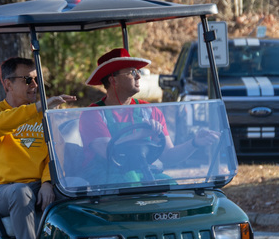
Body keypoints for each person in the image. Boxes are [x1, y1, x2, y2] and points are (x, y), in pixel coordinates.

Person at [0, 57, 76, 239]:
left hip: (38, 185)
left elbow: (55, 152)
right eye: (28, 80)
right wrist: (38, 107)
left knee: (78, 191)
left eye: (37, 79)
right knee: (20, 193)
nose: (35, 85)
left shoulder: (44, 117)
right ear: (8, 84)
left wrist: (47, 182)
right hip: (4, 191)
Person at [81, 48, 218, 175]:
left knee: (172, 191)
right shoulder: (93, 114)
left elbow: (168, 156)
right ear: (113, 80)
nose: (138, 77)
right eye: (132, 72)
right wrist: (141, 135)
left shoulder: (149, 110)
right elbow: (107, 152)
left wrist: (194, 142)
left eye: (138, 72)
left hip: (143, 175)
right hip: (105, 180)